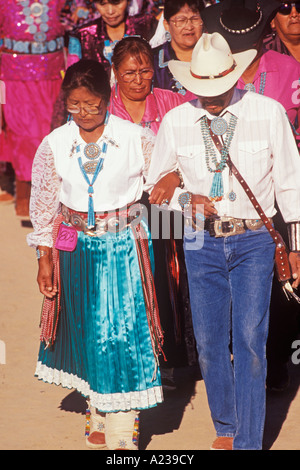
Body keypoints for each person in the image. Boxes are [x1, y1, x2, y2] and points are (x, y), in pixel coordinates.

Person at [145, 32, 300, 450]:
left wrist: (297, 244)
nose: (211, 98)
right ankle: (226, 426)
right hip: (199, 241)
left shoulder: (268, 113)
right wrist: (183, 197)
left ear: (235, 77)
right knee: (211, 343)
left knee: (250, 340)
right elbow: (153, 184)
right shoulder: (177, 121)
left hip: (255, 241)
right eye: (202, 90)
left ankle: (248, 441)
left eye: (218, 88)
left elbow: (291, 183)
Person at [27, 59, 178, 450]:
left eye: (92, 104)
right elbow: (44, 206)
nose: (84, 113)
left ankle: (121, 434)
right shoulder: (55, 143)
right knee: (88, 332)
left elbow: (167, 173)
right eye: (75, 105)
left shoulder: (134, 137)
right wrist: (44, 258)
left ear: (107, 97)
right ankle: (97, 406)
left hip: (122, 250)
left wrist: (173, 177)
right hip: (74, 250)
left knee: (122, 336)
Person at [202, 0, 300, 391]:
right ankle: (230, 365)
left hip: (281, 186)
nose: (248, 50)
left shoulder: (290, 69)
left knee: (278, 280)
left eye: (254, 41)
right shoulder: (215, 78)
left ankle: (274, 364)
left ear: (264, 38)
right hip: (233, 191)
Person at [110, 36, 198, 382]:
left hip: (164, 205)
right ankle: (134, 356)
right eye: (129, 72)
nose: (137, 79)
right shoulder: (105, 109)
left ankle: (172, 358)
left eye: (144, 71)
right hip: (120, 207)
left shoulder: (174, 103)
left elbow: (196, 149)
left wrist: (174, 176)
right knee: (128, 280)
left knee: (169, 275)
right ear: (115, 73)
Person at [0, 0, 68, 216]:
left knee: (51, 133)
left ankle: (54, 196)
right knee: (20, 133)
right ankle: (23, 195)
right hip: (12, 76)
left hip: (53, 73)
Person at [67, 0, 156, 72]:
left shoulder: (146, 26)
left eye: (116, 2)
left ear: (128, 1)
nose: (110, 11)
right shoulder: (83, 35)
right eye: (102, 3)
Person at [152, 0, 205, 98]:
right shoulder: (151, 62)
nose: (189, 27)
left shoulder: (215, 54)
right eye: (181, 21)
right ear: (166, 25)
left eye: (195, 19)